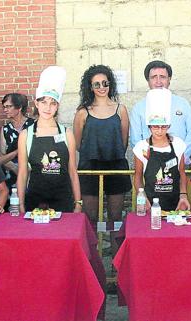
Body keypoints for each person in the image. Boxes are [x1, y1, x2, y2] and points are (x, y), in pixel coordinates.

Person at [16, 66, 82, 213]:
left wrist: (78, 203)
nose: (48, 107)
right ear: (36, 103)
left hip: (64, 200)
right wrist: (20, 204)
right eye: (44, 102)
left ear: (57, 106)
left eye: (52, 103)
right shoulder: (26, 135)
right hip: (34, 201)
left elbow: (72, 171)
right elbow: (22, 173)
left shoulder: (67, 134)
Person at [73, 65, 132, 225]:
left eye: (105, 83)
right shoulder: (83, 112)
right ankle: (90, 250)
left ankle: (116, 250)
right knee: (90, 217)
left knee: (115, 217)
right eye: (97, 84)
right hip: (90, 167)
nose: (101, 87)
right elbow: (77, 144)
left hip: (116, 166)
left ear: (110, 84)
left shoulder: (121, 110)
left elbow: (124, 141)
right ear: (90, 87)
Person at [129, 60, 191, 164]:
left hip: (180, 163)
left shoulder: (183, 104)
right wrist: (149, 160)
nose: (158, 81)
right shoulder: (138, 108)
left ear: (169, 79)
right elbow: (136, 140)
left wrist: (180, 157)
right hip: (149, 165)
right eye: (153, 77)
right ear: (148, 81)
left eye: (162, 77)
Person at [133, 88, 190, 211]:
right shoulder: (141, 147)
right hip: (150, 203)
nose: (159, 131)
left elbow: (182, 173)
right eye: (155, 127)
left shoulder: (178, 144)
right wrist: (142, 197)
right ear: (149, 126)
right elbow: (137, 177)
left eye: (163, 127)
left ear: (169, 125)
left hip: (175, 204)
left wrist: (183, 195)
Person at [0, 93, 34, 188]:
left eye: (9, 106)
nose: (5, 110)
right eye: (4, 107)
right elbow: (2, 155)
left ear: (19, 107)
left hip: (32, 172)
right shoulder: (5, 129)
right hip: (11, 173)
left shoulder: (33, 125)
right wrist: (14, 168)